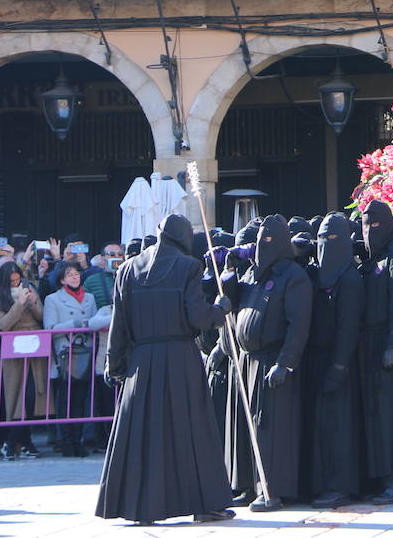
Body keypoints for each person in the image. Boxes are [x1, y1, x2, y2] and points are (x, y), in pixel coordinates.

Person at [96, 214, 234, 525]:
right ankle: (206, 504)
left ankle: (141, 507)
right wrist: (221, 309)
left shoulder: (128, 269)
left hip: (142, 362)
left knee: (144, 435)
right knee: (193, 433)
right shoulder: (189, 266)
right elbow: (198, 317)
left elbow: (119, 324)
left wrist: (114, 364)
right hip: (180, 359)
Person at [222, 214, 311, 512]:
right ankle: (248, 483)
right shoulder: (251, 274)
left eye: (269, 242)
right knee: (246, 427)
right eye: (260, 242)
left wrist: (285, 363)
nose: (263, 248)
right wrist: (228, 271)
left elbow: (298, 324)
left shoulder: (293, 275)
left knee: (270, 428)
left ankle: (271, 489)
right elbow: (231, 303)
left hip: (273, 360)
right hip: (247, 360)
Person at [298, 213, 363, 508]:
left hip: (339, 362)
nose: (326, 244)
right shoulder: (315, 275)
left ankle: (340, 485)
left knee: (338, 426)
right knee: (318, 426)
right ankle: (319, 482)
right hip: (314, 356)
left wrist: (339, 366)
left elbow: (349, 326)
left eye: (332, 238)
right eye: (321, 238)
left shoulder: (349, 278)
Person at [357, 201, 393, 503]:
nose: (370, 231)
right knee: (375, 412)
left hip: (389, 343)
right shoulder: (371, 260)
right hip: (368, 341)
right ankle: (381, 476)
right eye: (365, 225)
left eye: (376, 224)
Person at [0, 262, 46, 460]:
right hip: (13, 347)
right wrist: (19, 304)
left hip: (34, 344)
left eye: (18, 279)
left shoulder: (29, 288)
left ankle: (23, 440)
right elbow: (3, 325)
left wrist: (32, 301)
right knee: (15, 396)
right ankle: (13, 441)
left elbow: (41, 316)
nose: (16, 283)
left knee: (32, 394)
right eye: (12, 281)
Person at [43, 262, 97, 457]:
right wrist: (73, 324)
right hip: (64, 353)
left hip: (85, 351)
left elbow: (93, 322)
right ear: (62, 279)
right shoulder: (53, 299)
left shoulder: (89, 298)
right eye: (70, 275)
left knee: (80, 399)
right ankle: (67, 441)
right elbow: (50, 328)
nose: (75, 277)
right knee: (65, 400)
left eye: (76, 274)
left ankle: (78, 439)